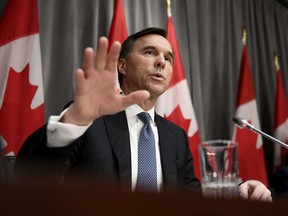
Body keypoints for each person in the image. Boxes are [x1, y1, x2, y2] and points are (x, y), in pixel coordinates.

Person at [14, 27, 272, 201]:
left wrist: (239, 193)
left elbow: (190, 200)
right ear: (122, 65)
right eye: (150, 52)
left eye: (168, 58)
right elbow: (31, 177)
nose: (162, 62)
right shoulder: (87, 119)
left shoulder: (175, 137)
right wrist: (75, 121)